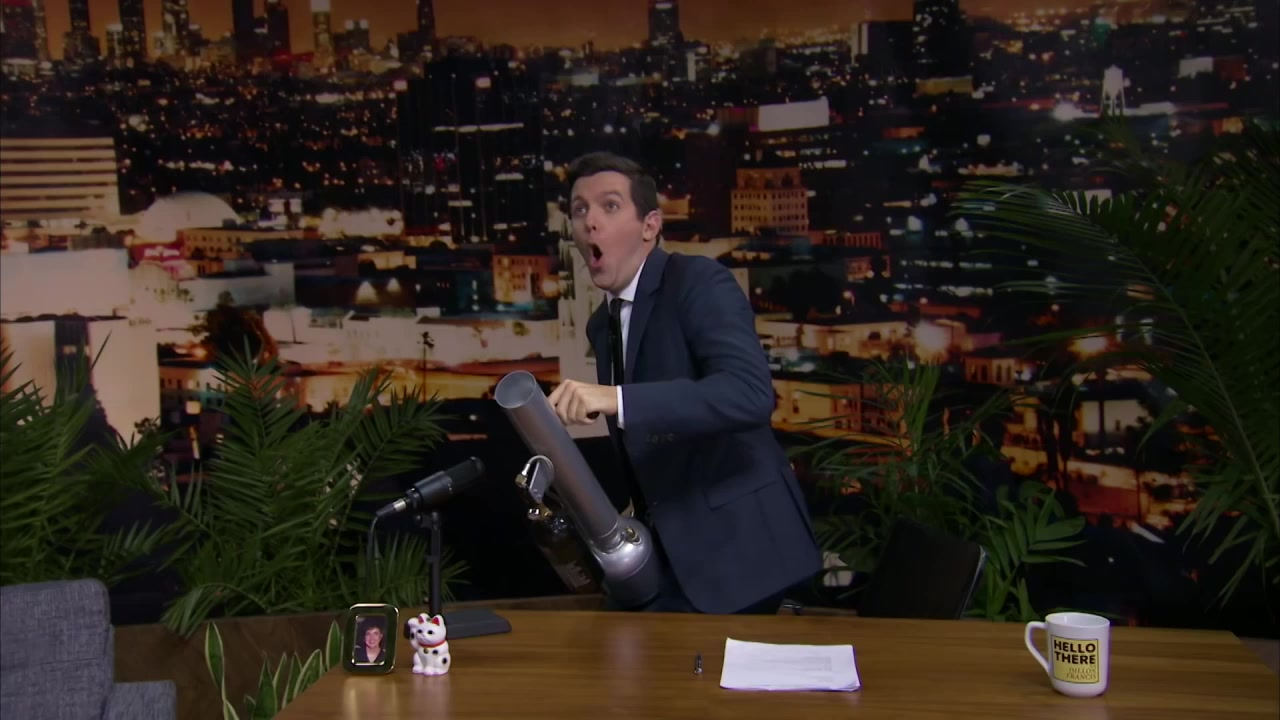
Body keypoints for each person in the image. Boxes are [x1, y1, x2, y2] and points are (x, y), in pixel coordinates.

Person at [548, 151, 822, 615]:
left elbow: (750, 394)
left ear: (650, 226)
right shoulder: (602, 324)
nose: (590, 221)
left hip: (747, 557)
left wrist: (616, 398)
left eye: (610, 206)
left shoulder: (698, 280)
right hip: (673, 559)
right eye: (579, 209)